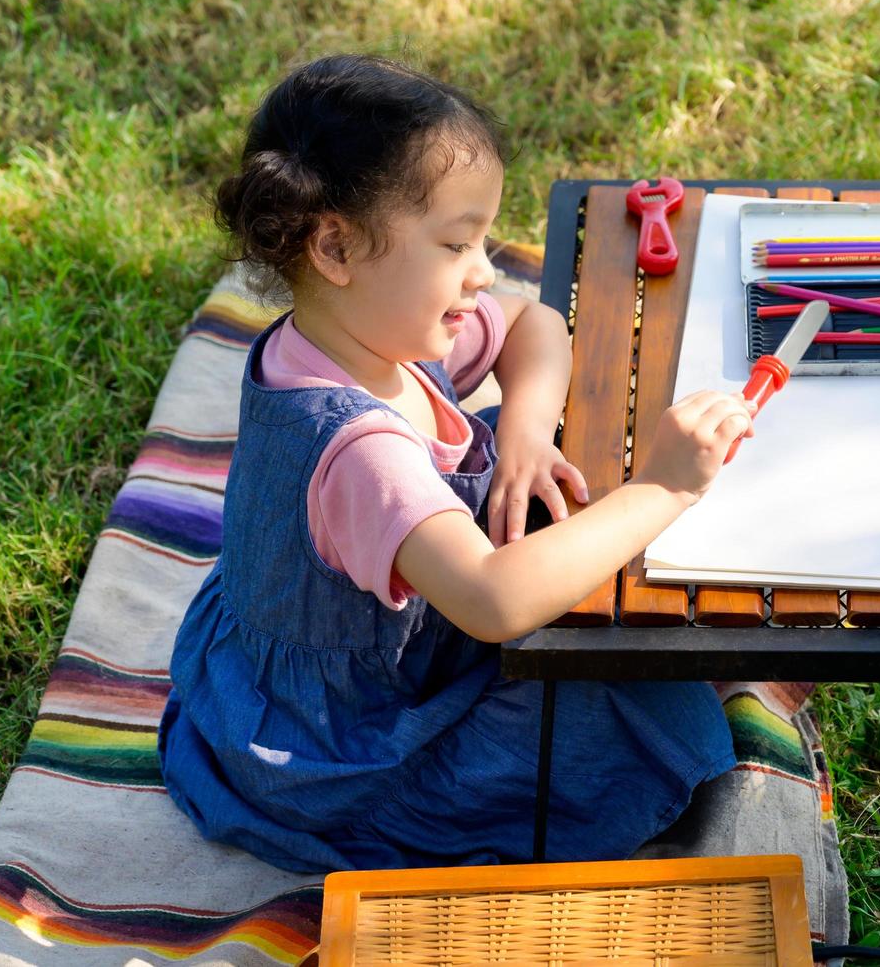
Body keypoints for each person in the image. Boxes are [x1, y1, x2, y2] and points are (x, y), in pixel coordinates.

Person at [157, 53, 755, 873]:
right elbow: (493, 600)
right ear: (335, 245)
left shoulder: (365, 331)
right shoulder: (360, 451)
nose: (484, 271)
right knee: (647, 707)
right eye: (456, 244)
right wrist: (663, 485)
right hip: (346, 749)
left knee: (575, 517)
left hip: (325, 654)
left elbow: (533, 323)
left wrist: (523, 436)